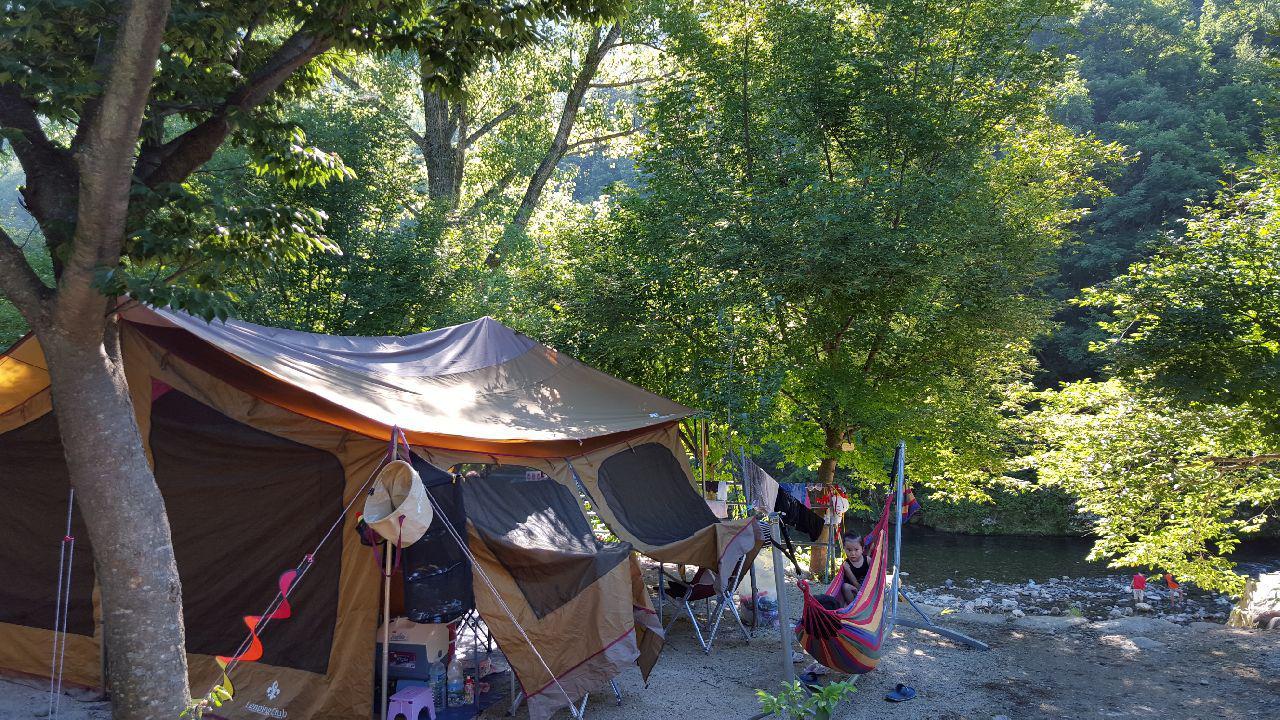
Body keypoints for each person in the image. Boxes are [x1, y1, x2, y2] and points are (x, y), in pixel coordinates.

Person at [838, 529, 870, 606]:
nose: (853, 553)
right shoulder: (846, 565)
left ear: (862, 549)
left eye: (856, 550)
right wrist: (860, 591)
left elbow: (874, 573)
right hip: (855, 591)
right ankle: (853, 608)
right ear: (844, 549)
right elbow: (854, 582)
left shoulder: (868, 560)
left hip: (868, 590)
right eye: (849, 550)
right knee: (845, 587)